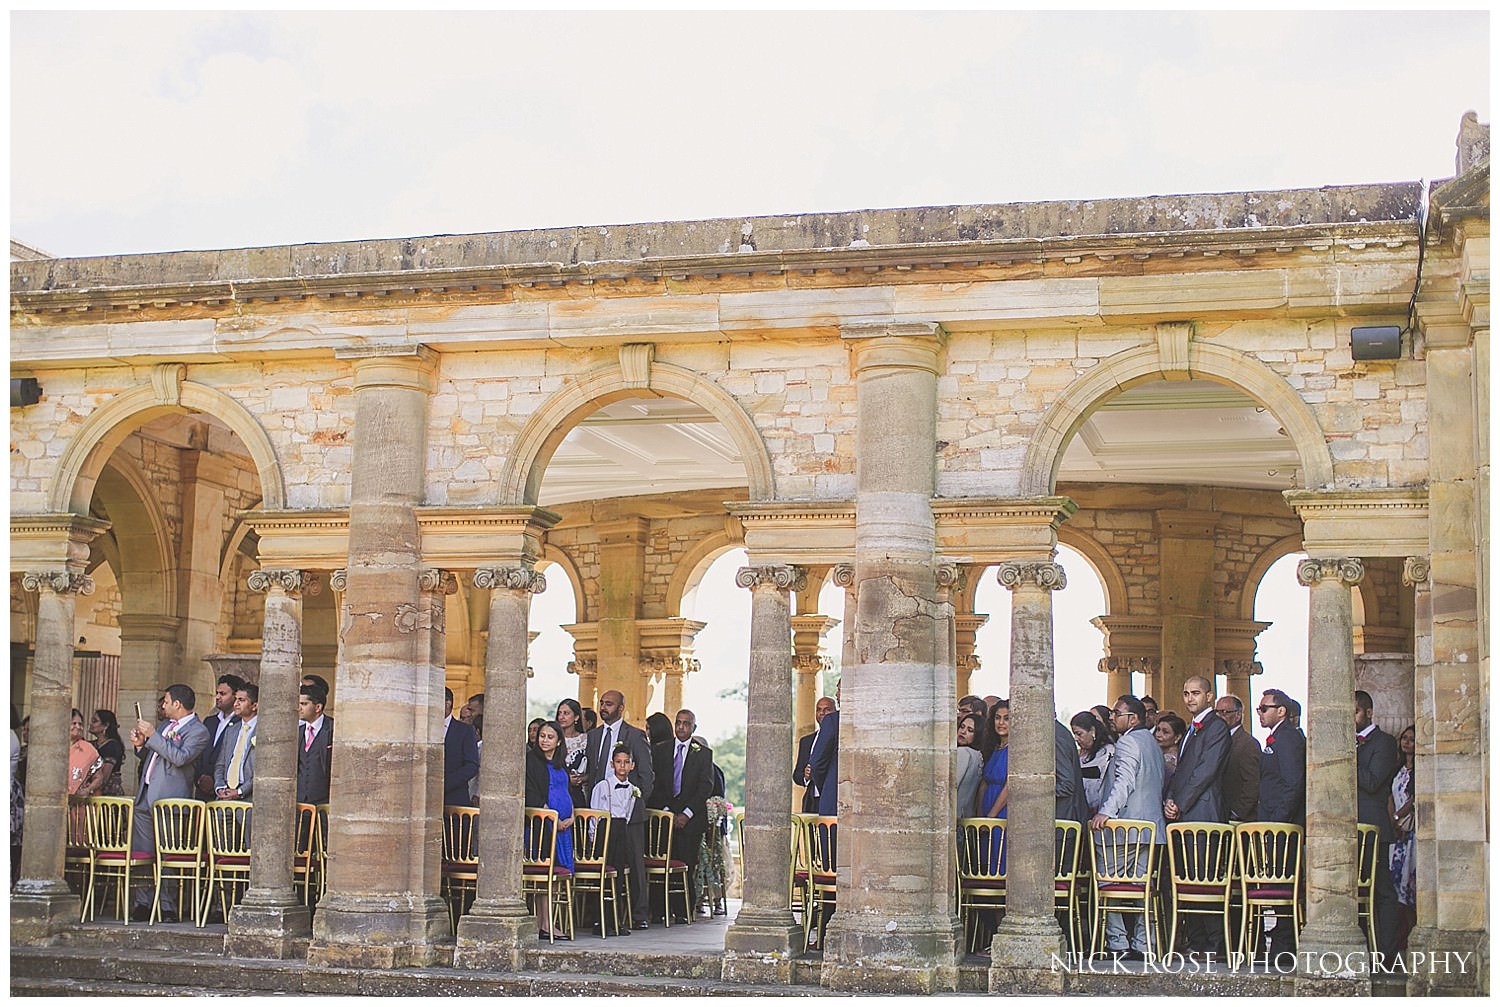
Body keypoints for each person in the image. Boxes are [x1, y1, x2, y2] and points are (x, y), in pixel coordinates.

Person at [1089, 695, 1167, 962]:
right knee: (1142, 886)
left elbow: (1124, 782)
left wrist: (1105, 813)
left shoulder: (1128, 742)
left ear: (1132, 718)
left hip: (1125, 829)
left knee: (1107, 882)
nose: (1111, 718)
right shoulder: (1152, 744)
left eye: (1116, 713)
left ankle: (1117, 942)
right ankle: (1144, 943)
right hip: (1150, 827)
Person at [129, 685, 210, 921]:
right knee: (144, 852)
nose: (162, 706)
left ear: (178, 704)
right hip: (146, 794)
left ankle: (166, 905)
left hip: (171, 800)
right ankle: (143, 903)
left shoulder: (199, 731)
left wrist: (153, 736)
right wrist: (141, 745)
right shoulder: (165, 727)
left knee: (168, 854)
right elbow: (152, 754)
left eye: (166, 701)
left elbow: (180, 757)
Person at [1163, 675, 1232, 955]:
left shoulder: (1217, 728)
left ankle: (1214, 945)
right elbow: (1182, 772)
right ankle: (1197, 942)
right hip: (1186, 814)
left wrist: (1179, 802)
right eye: (1186, 693)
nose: (1190, 698)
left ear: (1209, 696)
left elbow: (1206, 771)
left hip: (1204, 812)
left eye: (1195, 693)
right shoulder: (1192, 728)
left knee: (1206, 877)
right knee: (1188, 877)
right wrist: (1170, 799)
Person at [584, 690, 655, 929]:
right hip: (602, 810)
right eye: (601, 704)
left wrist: (634, 801)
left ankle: (639, 915)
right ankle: (602, 915)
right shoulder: (593, 736)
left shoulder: (634, 736)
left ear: (621, 708)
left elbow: (646, 775)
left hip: (628, 812)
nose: (604, 707)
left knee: (633, 862)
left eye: (609, 704)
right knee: (604, 861)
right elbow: (593, 772)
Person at [1256, 688, 1306, 960]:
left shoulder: (1287, 738)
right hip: (1274, 820)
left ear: (1281, 711)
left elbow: (1292, 782)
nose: (1260, 713)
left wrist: (1278, 821)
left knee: (1284, 882)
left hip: (1282, 824)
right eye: (1259, 709)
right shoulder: (1280, 736)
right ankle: (1280, 939)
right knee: (1278, 879)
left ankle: (1283, 943)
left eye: (1264, 708)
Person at [650, 709, 714, 922]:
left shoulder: (703, 754)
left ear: (693, 727)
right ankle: (660, 910)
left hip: (691, 818)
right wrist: (668, 812)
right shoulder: (661, 751)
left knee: (686, 864)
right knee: (664, 863)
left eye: (686, 723)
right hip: (665, 816)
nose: (681, 727)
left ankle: (684, 910)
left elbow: (705, 786)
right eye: (678, 722)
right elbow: (656, 783)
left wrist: (686, 814)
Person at [1355, 690, 1401, 962]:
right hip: (1349, 829)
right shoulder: (1354, 742)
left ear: (1369, 712)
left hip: (1373, 827)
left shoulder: (1384, 742)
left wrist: (1346, 756)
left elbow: (1373, 782)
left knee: (1381, 890)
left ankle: (1387, 953)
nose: (1351, 718)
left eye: (1356, 712)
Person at [588, 743, 642, 935]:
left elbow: (627, 814)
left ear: (632, 766)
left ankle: (616, 921)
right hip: (605, 831)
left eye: (626, 762)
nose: (622, 766)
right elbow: (594, 814)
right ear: (612, 764)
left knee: (617, 877)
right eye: (619, 762)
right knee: (604, 877)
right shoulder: (603, 786)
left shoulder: (632, 789)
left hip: (621, 831)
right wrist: (593, 839)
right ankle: (600, 922)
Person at [532, 720, 575, 940]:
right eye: (542, 736)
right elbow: (534, 794)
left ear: (558, 741)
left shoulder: (561, 764)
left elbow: (566, 791)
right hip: (544, 827)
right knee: (546, 875)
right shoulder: (533, 762)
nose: (545, 740)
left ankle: (546, 922)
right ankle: (545, 924)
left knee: (557, 876)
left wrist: (572, 815)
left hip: (564, 827)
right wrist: (552, 818)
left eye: (550, 737)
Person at [1388, 725, 1416, 951]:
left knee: (1409, 884)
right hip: (1397, 833)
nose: (1407, 742)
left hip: (1410, 833)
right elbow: (1390, 795)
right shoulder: (1398, 768)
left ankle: (1410, 931)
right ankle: (1400, 933)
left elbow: (1414, 799)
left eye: (1412, 739)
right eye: (1404, 738)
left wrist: (1399, 817)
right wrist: (1393, 820)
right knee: (1396, 883)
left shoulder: (1418, 770)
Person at [1214, 694, 1261, 823]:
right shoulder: (1215, 740)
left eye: (1224, 712)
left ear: (1238, 715)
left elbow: (1252, 783)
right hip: (1219, 814)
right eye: (1216, 712)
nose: (1219, 716)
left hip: (1239, 821)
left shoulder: (1248, 744)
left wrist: (1237, 812)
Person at [195, 674, 244, 799]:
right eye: (217, 693)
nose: (217, 697)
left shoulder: (241, 723)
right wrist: (200, 778)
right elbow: (199, 751)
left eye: (222, 694)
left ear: (235, 696)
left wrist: (216, 783)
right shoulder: (210, 721)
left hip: (225, 790)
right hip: (202, 787)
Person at [214, 684, 259, 800]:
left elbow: (262, 771)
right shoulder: (231, 730)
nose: (236, 704)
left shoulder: (263, 731)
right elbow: (220, 764)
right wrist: (220, 786)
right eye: (235, 700)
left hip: (248, 797)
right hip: (225, 794)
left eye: (241, 700)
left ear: (254, 706)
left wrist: (240, 791)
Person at [794, 697, 837, 814]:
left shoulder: (840, 738)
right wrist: (805, 776)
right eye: (819, 710)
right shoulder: (806, 741)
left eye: (827, 709)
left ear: (835, 712)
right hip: (811, 802)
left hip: (833, 798)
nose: (822, 713)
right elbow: (796, 775)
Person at [296, 682, 334, 806]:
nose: (299, 708)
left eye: (304, 704)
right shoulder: (298, 731)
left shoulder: (333, 729)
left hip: (324, 803)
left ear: (318, 707)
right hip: (300, 802)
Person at [807, 682, 841, 817]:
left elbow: (817, 764)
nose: (837, 694)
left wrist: (826, 786)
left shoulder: (833, 721)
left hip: (832, 798)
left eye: (839, 689)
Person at [443, 688, 480, 808]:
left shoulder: (465, 730)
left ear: (447, 703)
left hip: (454, 801)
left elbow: (472, 765)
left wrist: (445, 784)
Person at [1071, 710, 1114, 815]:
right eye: (1074, 734)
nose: (1076, 739)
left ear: (1092, 731)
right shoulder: (1080, 754)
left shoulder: (1108, 752)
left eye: (1079, 734)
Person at [77, 709, 124, 797]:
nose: (90, 724)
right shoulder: (92, 745)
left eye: (95, 721)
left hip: (108, 796)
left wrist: (90, 786)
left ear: (106, 725)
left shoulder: (112, 746)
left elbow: (104, 777)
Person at [1055, 718, 1089, 830]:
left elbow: (1067, 785)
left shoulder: (1055, 736)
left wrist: (1036, 791)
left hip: (1063, 820)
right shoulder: (1057, 731)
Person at [556, 698, 590, 809]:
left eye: (566, 713)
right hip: (556, 792)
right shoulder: (553, 739)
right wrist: (566, 779)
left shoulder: (586, 739)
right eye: (559, 713)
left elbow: (593, 767)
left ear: (576, 717)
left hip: (578, 794)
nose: (561, 717)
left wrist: (581, 779)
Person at [979, 700, 1010, 818]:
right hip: (986, 809)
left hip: (1002, 812)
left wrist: (992, 815)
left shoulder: (1015, 752)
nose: (1001, 722)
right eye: (997, 718)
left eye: (1007, 719)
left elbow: (1009, 786)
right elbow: (984, 784)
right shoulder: (994, 748)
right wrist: (981, 815)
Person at [955, 712, 983, 821]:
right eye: (962, 726)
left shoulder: (963, 752)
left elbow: (952, 785)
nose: (963, 731)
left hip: (956, 817)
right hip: (967, 819)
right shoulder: (978, 755)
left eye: (970, 730)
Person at [67, 709, 99, 796]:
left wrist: (88, 789)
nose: (77, 727)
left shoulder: (89, 750)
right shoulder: (55, 747)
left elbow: (99, 778)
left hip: (79, 803)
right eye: (73, 723)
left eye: (80, 724)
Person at [1154, 713, 1186, 780]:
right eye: (1158, 730)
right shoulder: (1158, 754)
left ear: (1177, 737)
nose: (1158, 735)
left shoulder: (1172, 761)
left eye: (1165, 732)